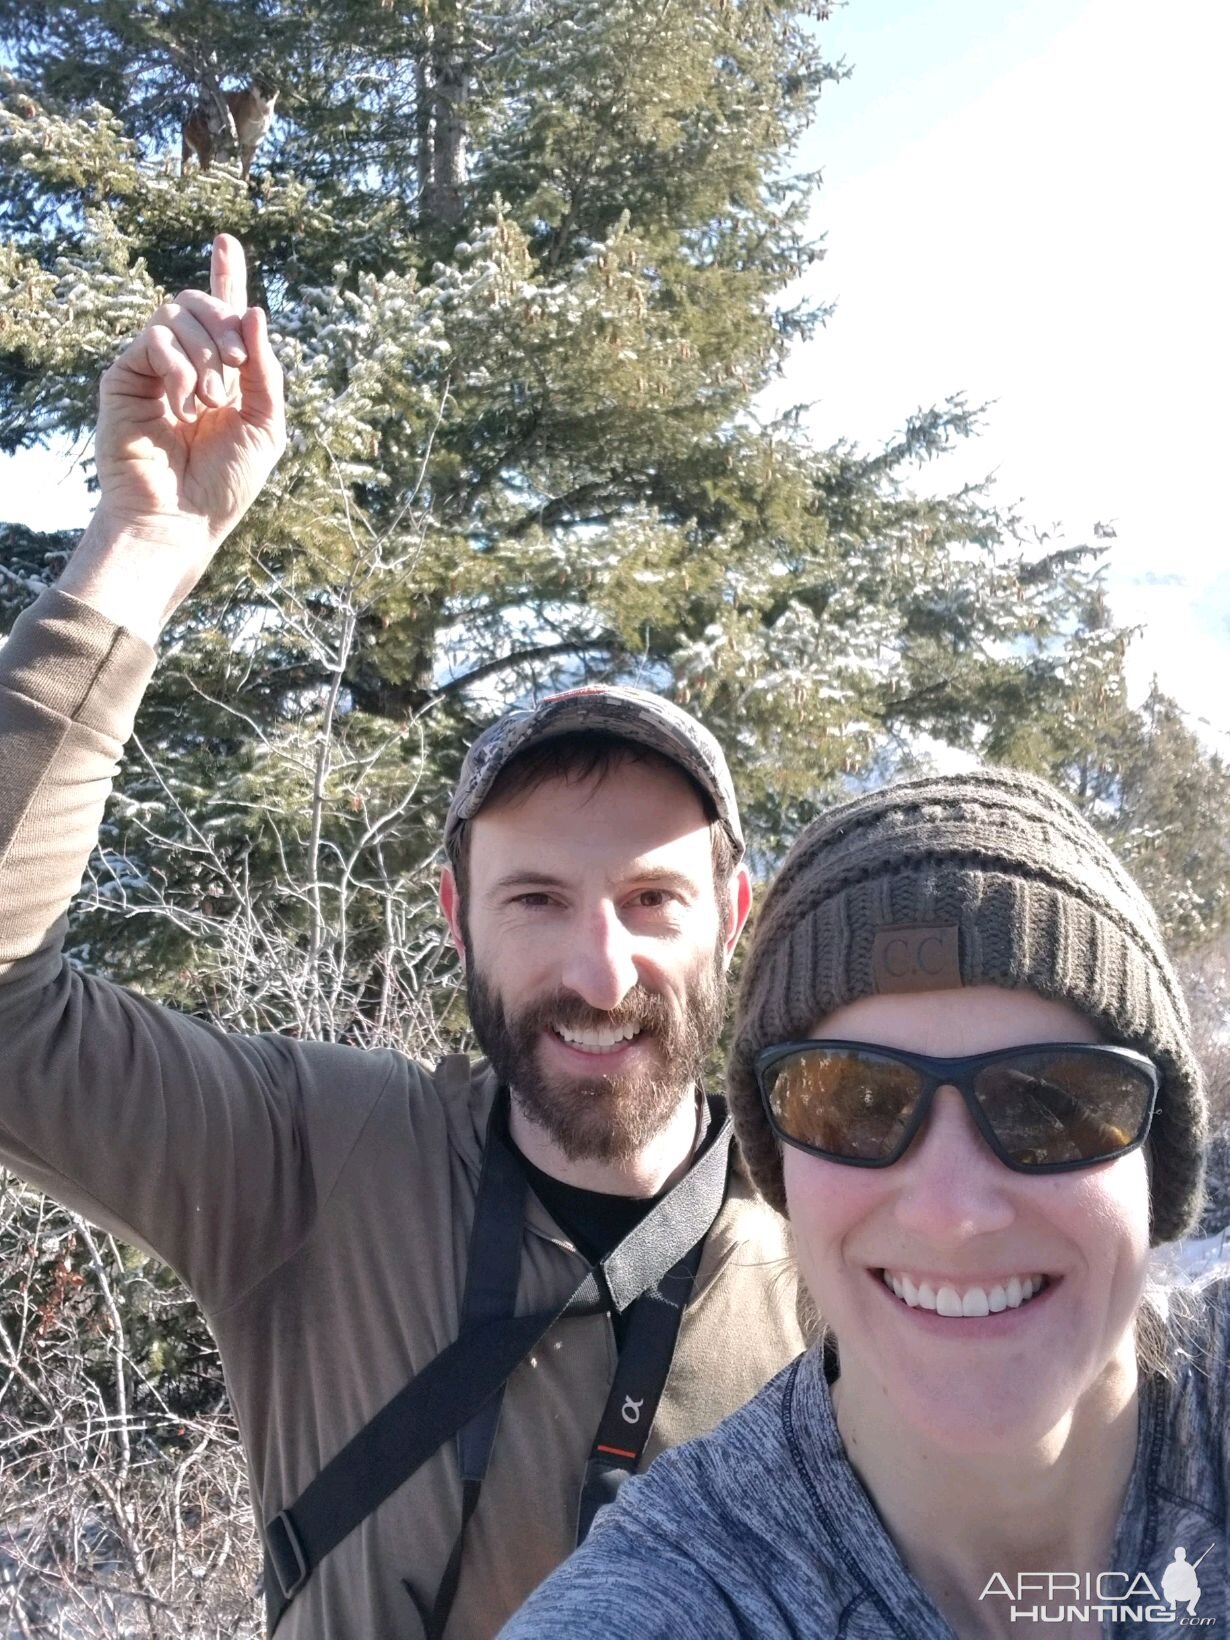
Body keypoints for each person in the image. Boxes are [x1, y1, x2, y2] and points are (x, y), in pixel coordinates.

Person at [0, 233, 806, 1638]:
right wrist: (141, 547)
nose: (598, 972)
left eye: (652, 902)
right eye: (536, 900)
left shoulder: (839, 1242)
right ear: (454, 915)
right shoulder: (316, 1161)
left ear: (731, 916)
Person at [499, 769, 1228, 1639]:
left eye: (1053, 1104)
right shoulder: (680, 1596)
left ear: (1161, 1152)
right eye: (855, 1104)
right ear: (781, 1166)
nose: (952, 1211)